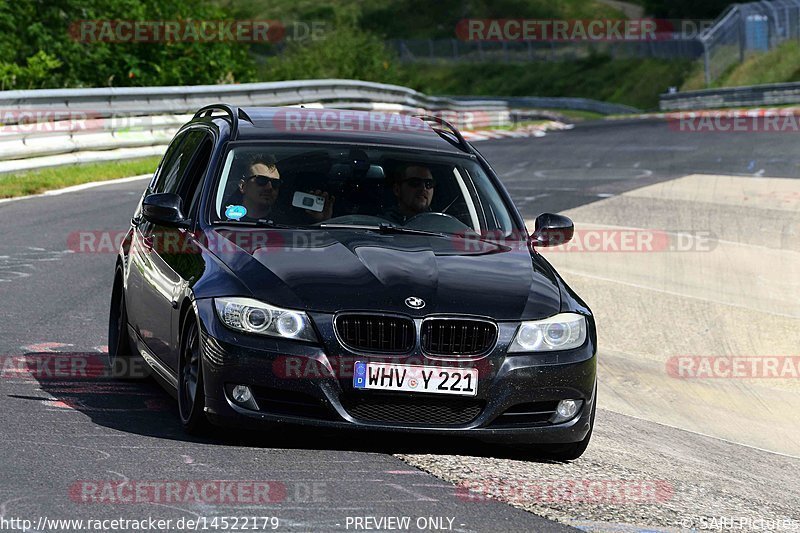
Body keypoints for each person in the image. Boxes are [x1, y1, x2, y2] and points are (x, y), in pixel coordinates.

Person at [233, 154, 334, 222]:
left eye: (275, 183)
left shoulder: (288, 222)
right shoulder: (222, 220)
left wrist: (322, 221)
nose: (269, 187)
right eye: (261, 180)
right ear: (243, 186)